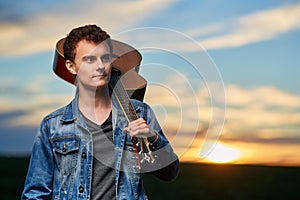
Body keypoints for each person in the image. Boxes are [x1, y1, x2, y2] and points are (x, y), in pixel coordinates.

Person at [22, 24, 179, 199]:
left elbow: (170, 173)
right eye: (89, 59)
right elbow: (35, 193)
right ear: (70, 66)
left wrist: (153, 138)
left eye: (105, 58)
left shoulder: (140, 113)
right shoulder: (53, 125)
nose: (100, 66)